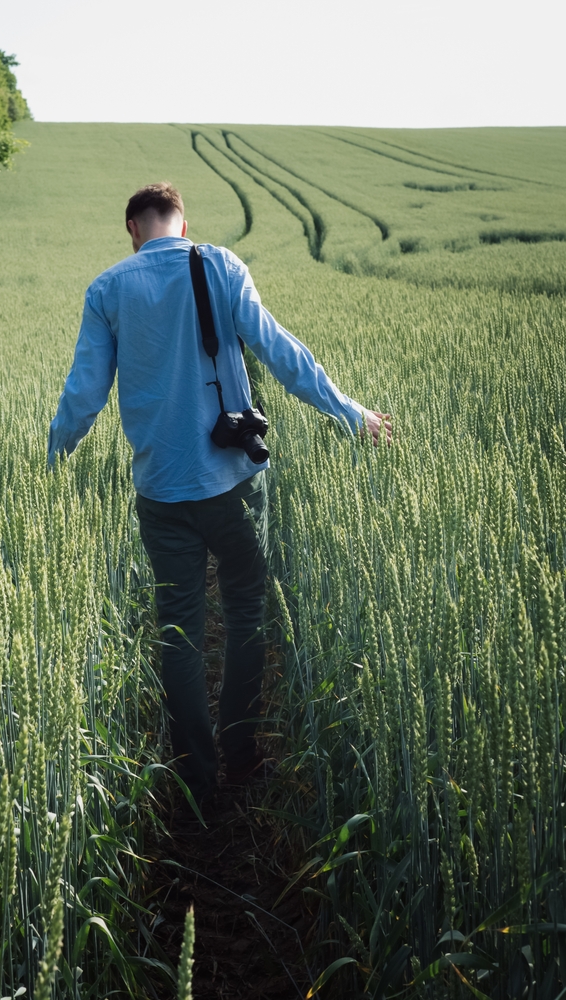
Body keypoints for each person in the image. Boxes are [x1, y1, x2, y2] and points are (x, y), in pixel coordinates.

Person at [48, 182, 391, 810]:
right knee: (245, 613)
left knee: (178, 629)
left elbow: (84, 395)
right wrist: (347, 412)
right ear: (184, 223)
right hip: (233, 482)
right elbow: (279, 350)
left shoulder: (107, 290)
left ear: (132, 227)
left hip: (159, 491)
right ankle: (241, 753)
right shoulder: (220, 265)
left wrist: (50, 458)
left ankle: (196, 779)